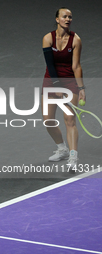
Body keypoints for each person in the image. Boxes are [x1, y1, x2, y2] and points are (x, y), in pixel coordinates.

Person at [42, 7, 86, 170]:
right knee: (48, 120)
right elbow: (50, 64)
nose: (68, 19)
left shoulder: (76, 40)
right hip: (51, 81)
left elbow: (76, 66)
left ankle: (73, 158)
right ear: (57, 19)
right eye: (64, 16)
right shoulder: (48, 38)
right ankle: (62, 149)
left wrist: (81, 87)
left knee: (70, 120)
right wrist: (56, 85)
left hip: (69, 82)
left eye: (70, 17)